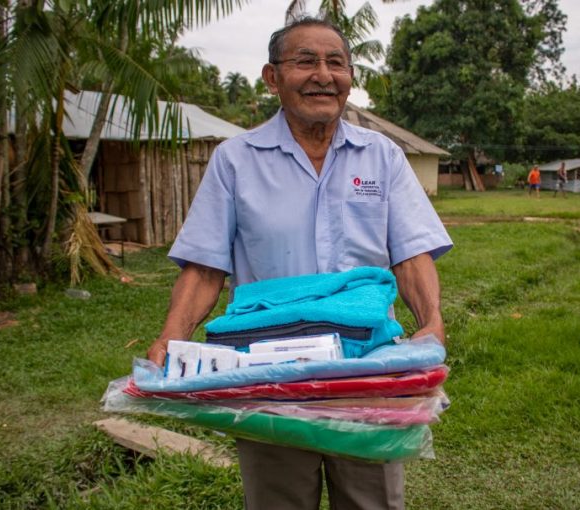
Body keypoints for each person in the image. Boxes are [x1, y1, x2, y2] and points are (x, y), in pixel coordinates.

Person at [146, 17, 452, 510]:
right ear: (272, 78)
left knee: (371, 499)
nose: (323, 75)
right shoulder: (236, 160)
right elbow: (204, 267)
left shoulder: (382, 157)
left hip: (366, 369)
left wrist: (432, 323)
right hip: (268, 370)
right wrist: (170, 334)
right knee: (278, 500)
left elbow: (411, 252)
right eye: (305, 61)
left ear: (350, 76)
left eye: (336, 63)